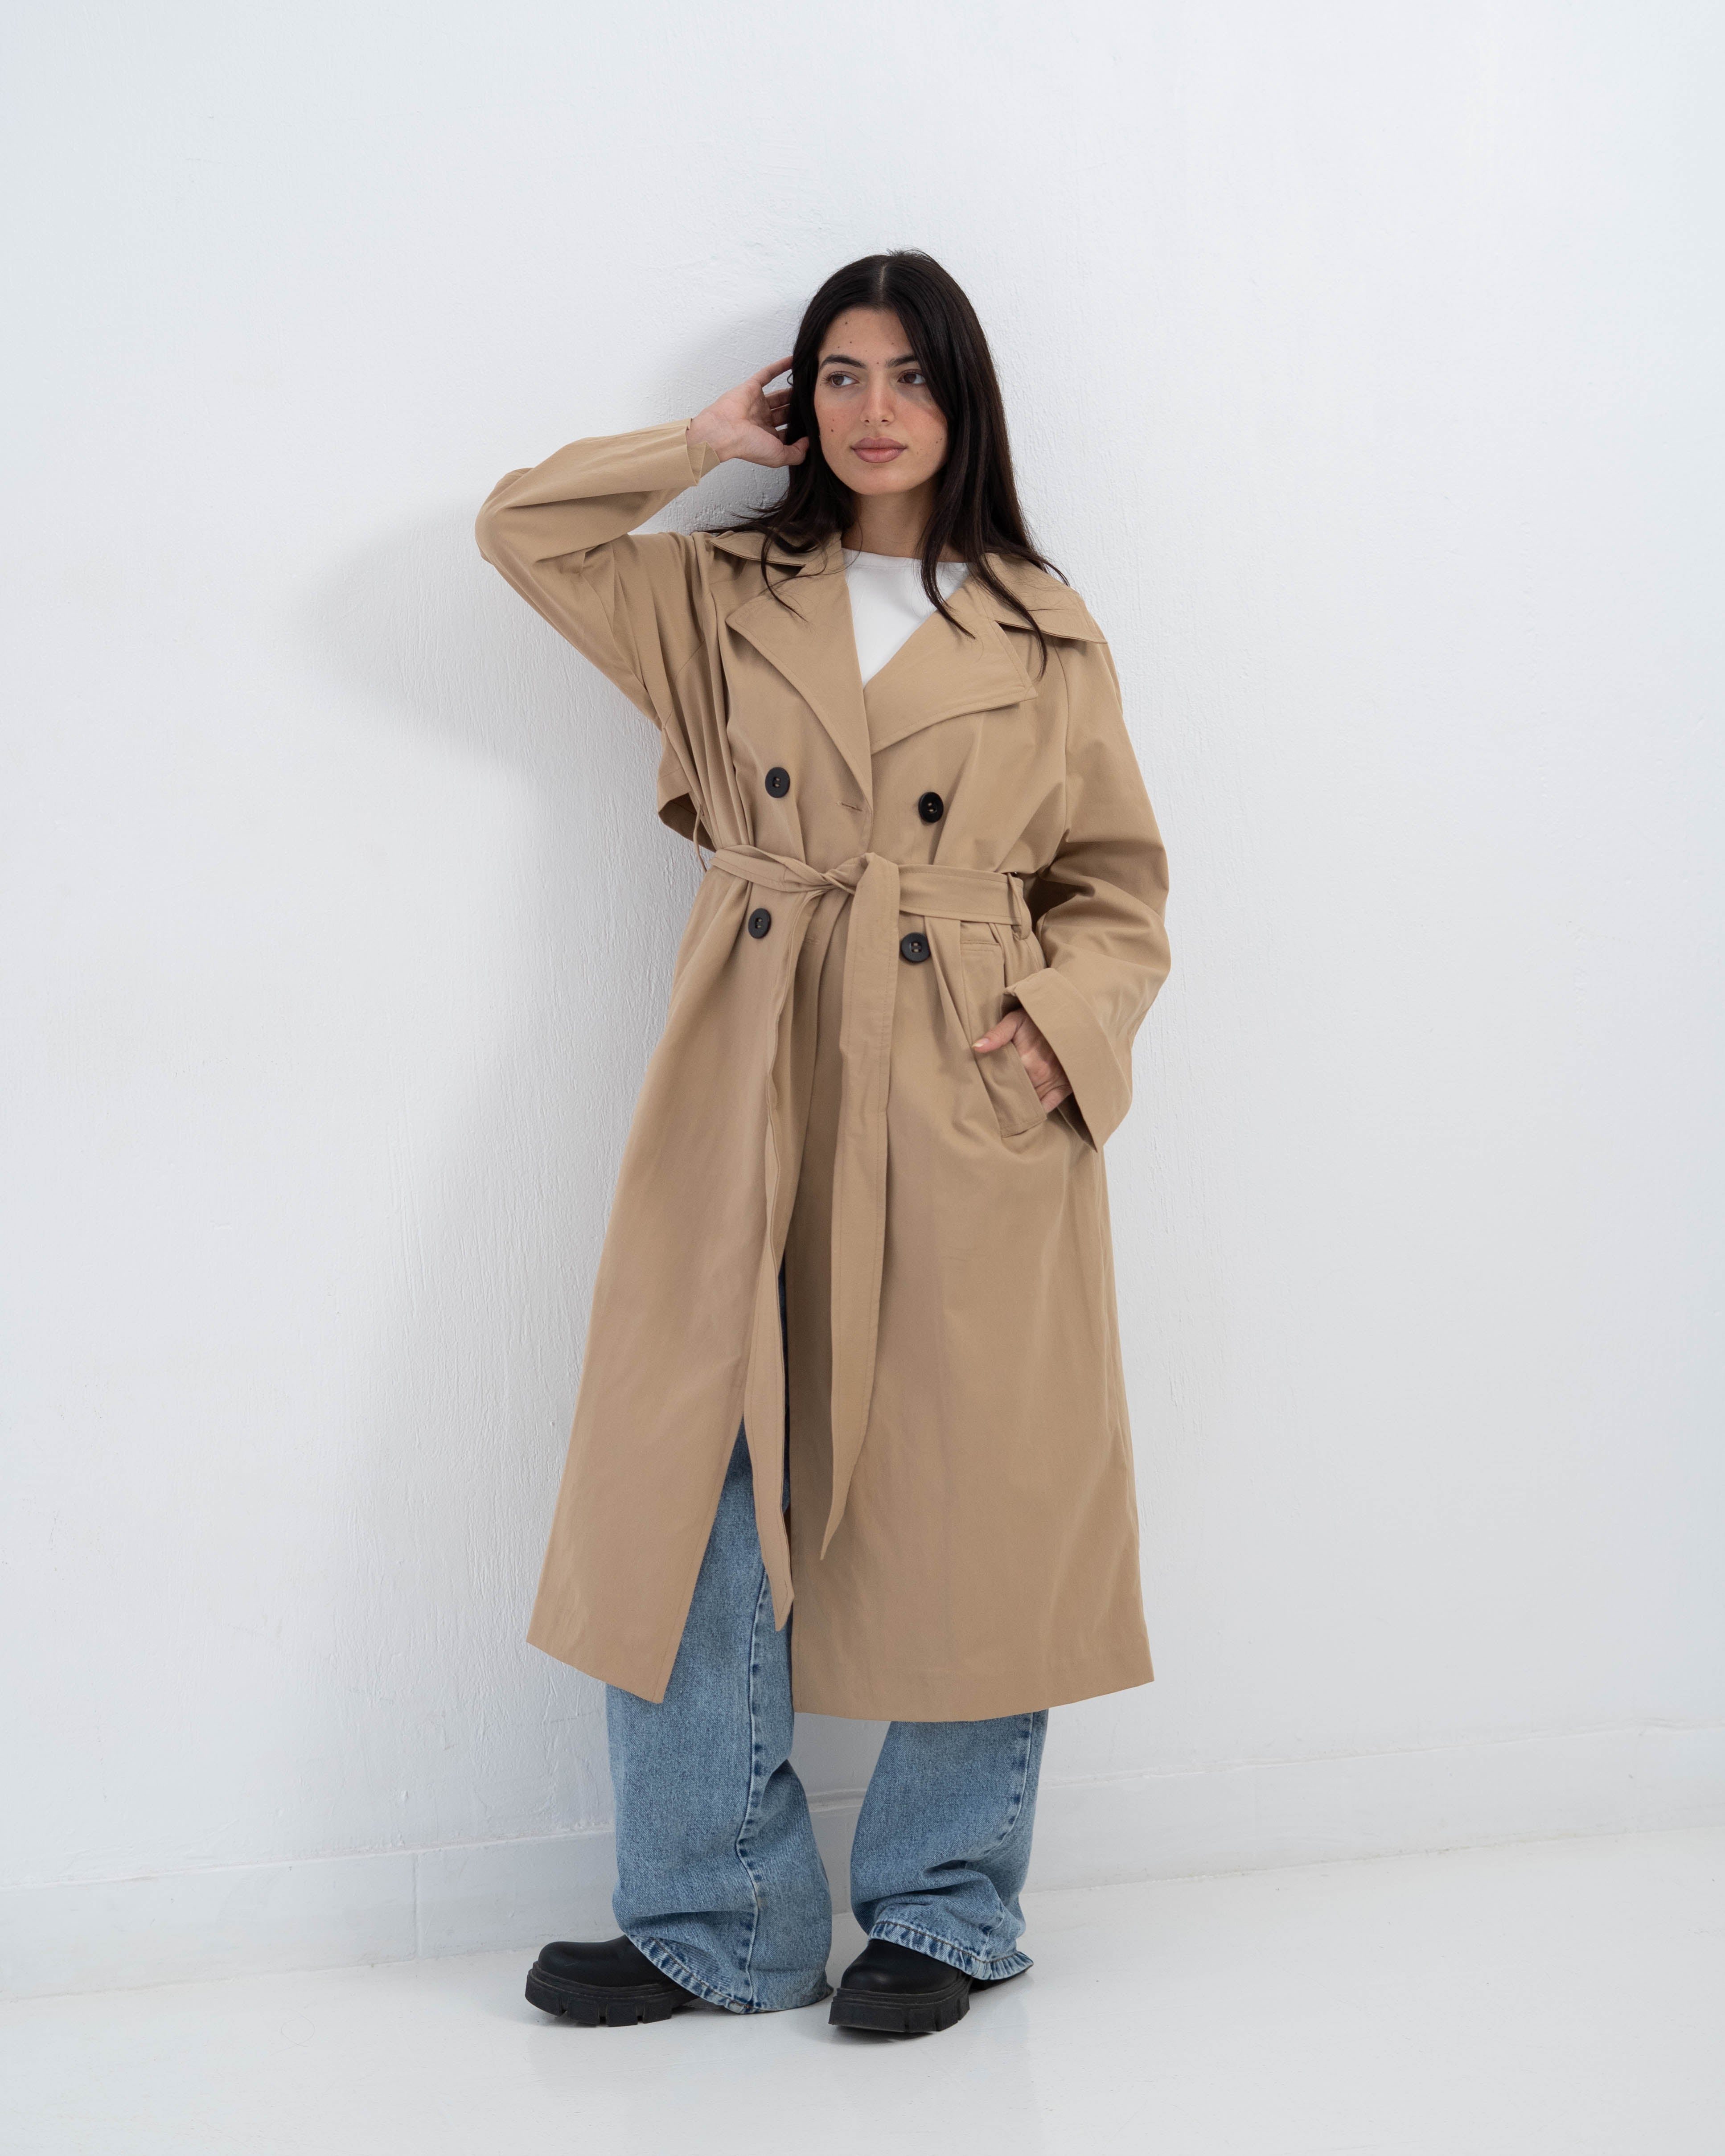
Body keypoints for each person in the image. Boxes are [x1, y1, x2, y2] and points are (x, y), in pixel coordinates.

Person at [474, 249, 1171, 2037]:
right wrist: (693, 444)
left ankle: (944, 1905)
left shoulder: (1042, 629)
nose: (874, 411)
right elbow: (523, 534)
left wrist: (1057, 1033)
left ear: (962, 403)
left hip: (962, 1073)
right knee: (689, 1464)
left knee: (979, 1476)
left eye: (910, 377)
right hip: (754, 1046)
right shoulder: (719, 592)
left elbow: (1116, 890)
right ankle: (721, 1915)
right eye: (839, 375)